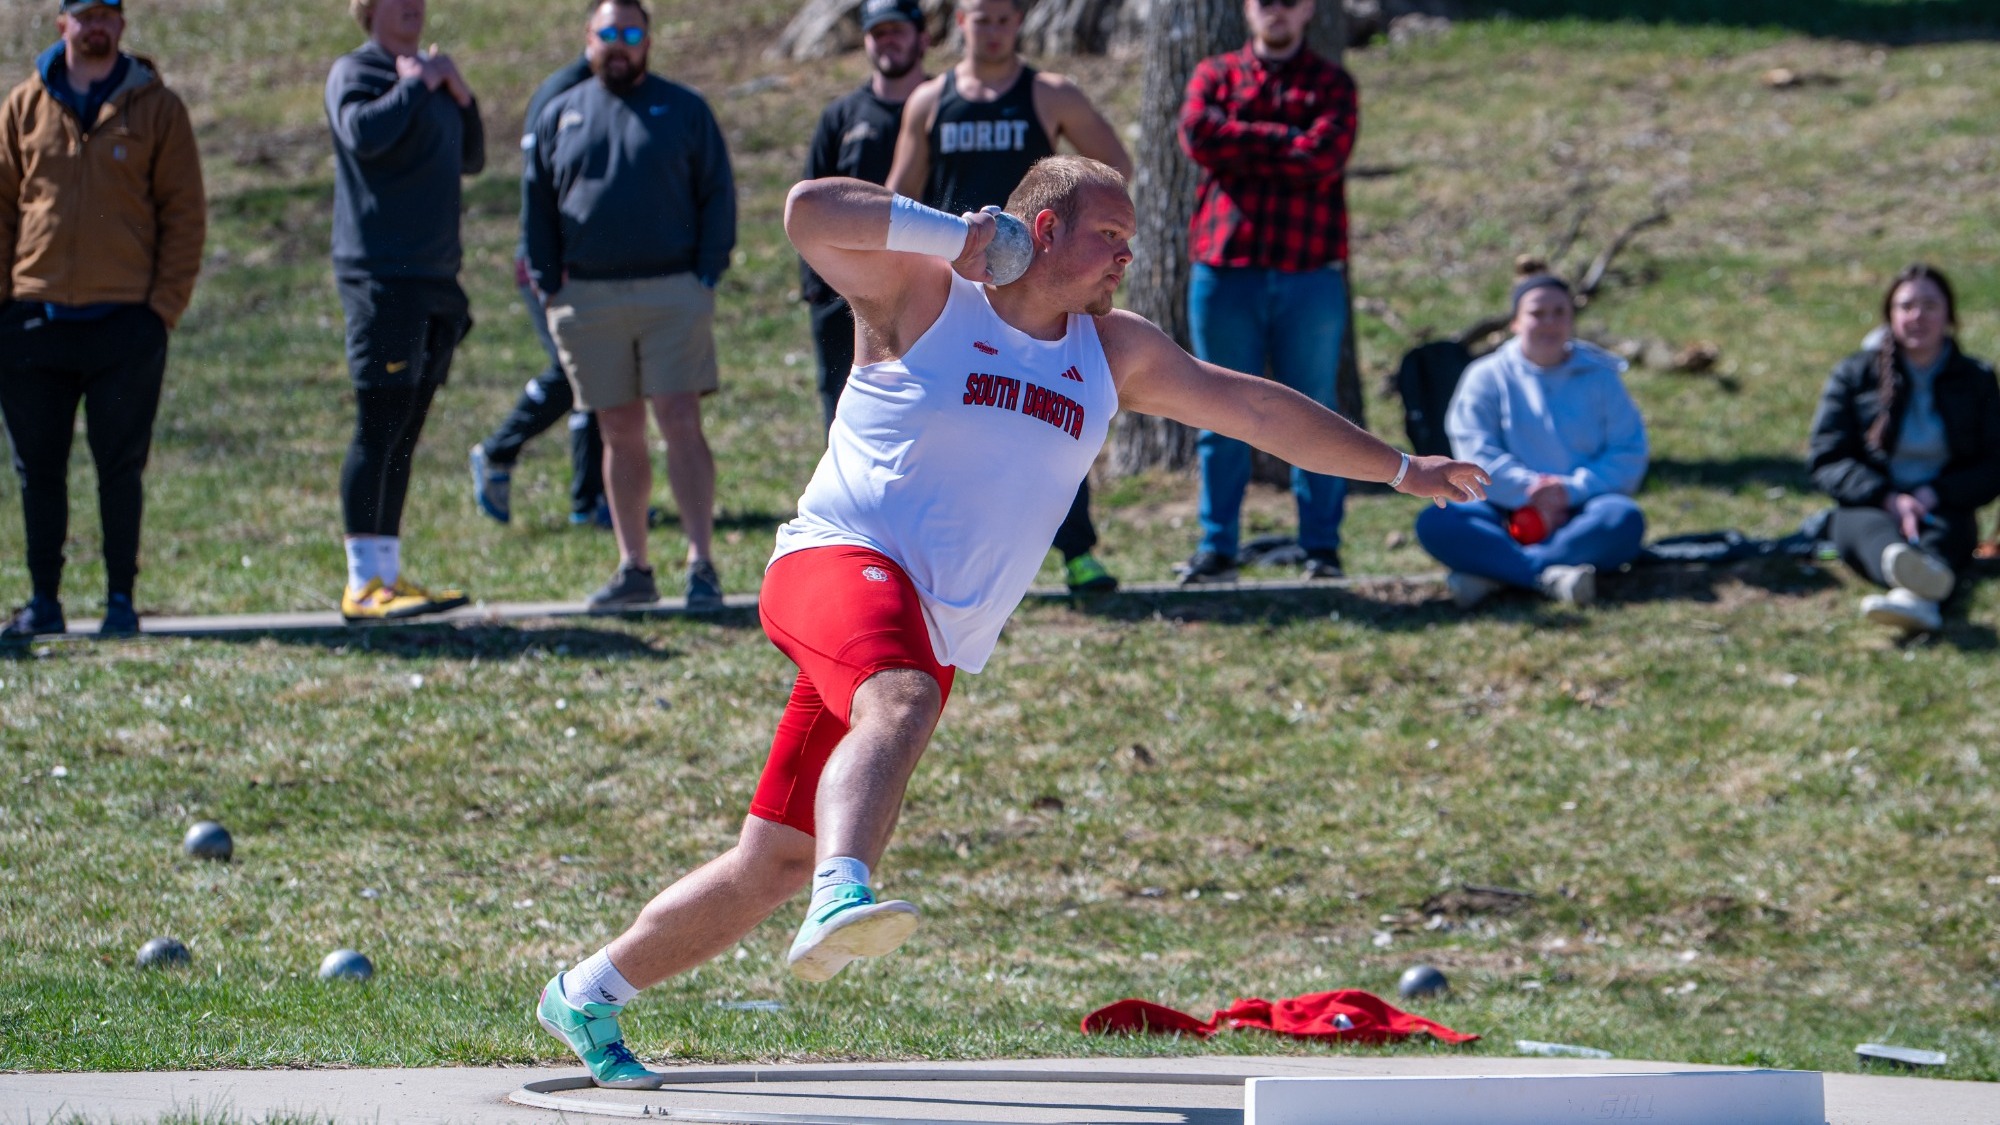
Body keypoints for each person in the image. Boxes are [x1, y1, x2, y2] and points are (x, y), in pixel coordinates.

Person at [529, 156, 1490, 1089]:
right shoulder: (929, 297)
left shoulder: (1112, 352)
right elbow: (808, 211)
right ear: (1043, 230)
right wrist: (957, 237)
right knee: (892, 707)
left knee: (772, 855)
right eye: (1109, 235)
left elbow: (1250, 408)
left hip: (927, 629)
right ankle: (844, 890)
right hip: (836, 562)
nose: (1127, 256)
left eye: (1130, 240)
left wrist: (1403, 470)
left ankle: (587, 991)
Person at [886, 0, 1131, 594]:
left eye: (1003, 17)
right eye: (980, 17)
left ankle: (1078, 552)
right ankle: (932, 551)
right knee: (959, 415)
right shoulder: (928, 100)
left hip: (1037, 282)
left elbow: (1114, 167)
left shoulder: (1051, 94)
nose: (993, 28)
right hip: (962, 289)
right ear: (959, 22)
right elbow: (898, 194)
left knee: (1058, 414)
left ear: (1017, 22)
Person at [0, 0, 205, 639]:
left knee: (120, 467)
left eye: (109, 14)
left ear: (122, 24)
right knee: (39, 470)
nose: (98, 26)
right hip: (34, 322)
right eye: (84, 13)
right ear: (61, 22)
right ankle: (45, 601)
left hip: (125, 325)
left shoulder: (158, 109)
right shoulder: (23, 107)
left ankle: (121, 600)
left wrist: (160, 311)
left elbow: (185, 215)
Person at [524, 0, 735, 611]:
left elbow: (717, 193)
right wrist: (548, 282)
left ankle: (701, 565)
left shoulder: (686, 109)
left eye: (631, 33)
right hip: (586, 297)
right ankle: (634, 567)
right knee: (618, 430)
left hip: (673, 289)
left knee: (679, 420)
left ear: (648, 40)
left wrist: (706, 274)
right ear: (587, 39)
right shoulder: (559, 110)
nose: (620, 44)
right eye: (608, 33)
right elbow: (535, 202)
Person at [1175, 0, 1359, 585]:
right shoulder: (1214, 74)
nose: (1275, 10)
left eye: (1289, 0)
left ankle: (1322, 551)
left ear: (1307, 10)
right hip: (1225, 270)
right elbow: (1199, 137)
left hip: (1310, 273)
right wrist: (1287, 140)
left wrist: (1244, 142)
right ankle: (1216, 549)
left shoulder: (1333, 82)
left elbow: (1324, 154)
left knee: (1318, 412)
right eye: (1264, 0)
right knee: (1218, 410)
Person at [325, 0, 483, 621]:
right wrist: (416, 84)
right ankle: (362, 584)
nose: (413, 5)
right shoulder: (357, 73)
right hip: (380, 277)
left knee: (406, 431)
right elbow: (364, 135)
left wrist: (460, 93)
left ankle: (387, 579)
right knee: (379, 423)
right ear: (367, 10)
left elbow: (472, 157)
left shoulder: (430, 77)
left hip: (434, 277)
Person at [1413, 262, 1649, 609]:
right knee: (1440, 521)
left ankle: (1495, 574)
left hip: (1580, 513)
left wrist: (1569, 491)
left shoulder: (1601, 377)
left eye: (1560, 312)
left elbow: (1628, 452)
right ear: (1516, 322)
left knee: (1622, 519)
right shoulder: (1485, 376)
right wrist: (1528, 488)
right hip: (1501, 508)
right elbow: (1474, 450)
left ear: (1572, 319)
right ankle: (1550, 578)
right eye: (1538, 313)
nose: (1550, 323)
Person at [1807, 263, 2000, 633]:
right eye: (1906, 306)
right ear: (1889, 316)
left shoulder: (1976, 379)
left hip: (1944, 507)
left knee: (1946, 532)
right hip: (1869, 507)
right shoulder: (1854, 374)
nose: (1917, 316)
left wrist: (1934, 494)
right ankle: (1914, 585)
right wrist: (1887, 498)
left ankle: (1913, 595)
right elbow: (1826, 457)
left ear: (1949, 315)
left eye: (1930, 306)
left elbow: (1994, 465)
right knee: (1870, 535)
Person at [469, 53, 607, 528]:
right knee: (579, 373)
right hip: (552, 267)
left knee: (600, 377)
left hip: (597, 268)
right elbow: (538, 190)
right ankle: (497, 451)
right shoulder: (563, 91)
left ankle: (589, 501)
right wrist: (548, 269)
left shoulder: (625, 92)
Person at [800, 0, 929, 434]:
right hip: (845, 292)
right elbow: (809, 203)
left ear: (922, 37)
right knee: (842, 404)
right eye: (878, 32)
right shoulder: (841, 117)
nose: (887, 40)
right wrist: (819, 290)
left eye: (897, 30)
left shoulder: (945, 107)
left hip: (927, 286)